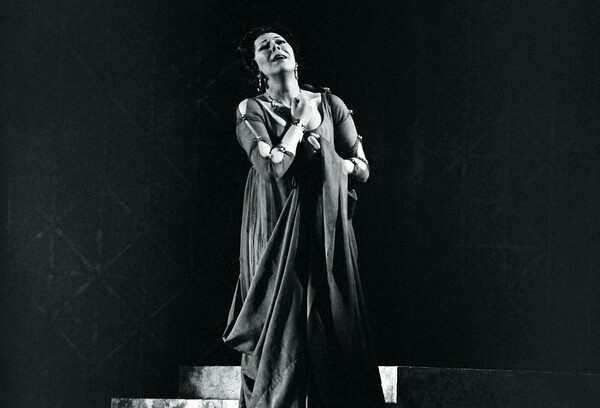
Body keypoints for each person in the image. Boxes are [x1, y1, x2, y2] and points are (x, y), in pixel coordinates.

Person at [223, 25, 385, 408]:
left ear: (294, 55)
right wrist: (298, 126)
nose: (275, 48)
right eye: (264, 47)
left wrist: (325, 153)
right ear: (256, 66)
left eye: (280, 42)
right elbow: (270, 167)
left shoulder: (330, 104)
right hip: (274, 223)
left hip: (325, 222)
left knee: (330, 320)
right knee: (284, 322)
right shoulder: (251, 109)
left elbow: (362, 169)